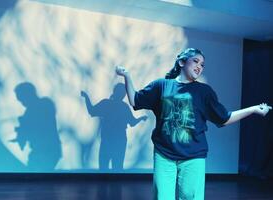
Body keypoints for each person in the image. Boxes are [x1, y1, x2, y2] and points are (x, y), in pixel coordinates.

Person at [115, 48, 272, 200]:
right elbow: (135, 100)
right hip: (164, 154)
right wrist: (127, 76)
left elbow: (224, 118)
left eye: (202, 65)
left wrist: (253, 109)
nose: (199, 66)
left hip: (193, 156)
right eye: (196, 61)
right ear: (182, 62)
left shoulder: (204, 92)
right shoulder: (161, 86)